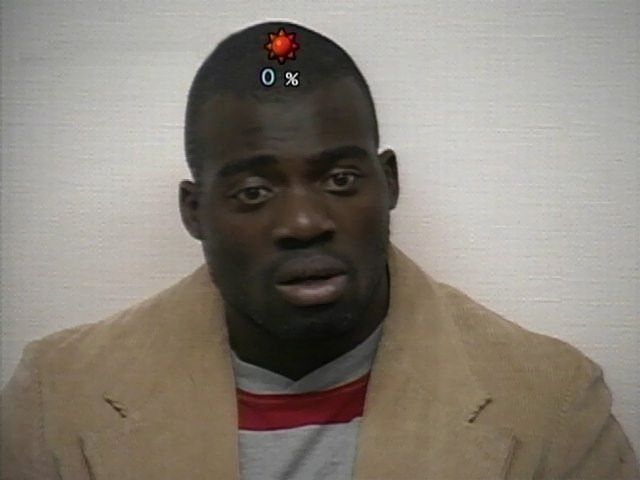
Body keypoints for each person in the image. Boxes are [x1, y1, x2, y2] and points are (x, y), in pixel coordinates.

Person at [1, 20, 638, 480]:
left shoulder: (553, 402)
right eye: (254, 191)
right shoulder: (56, 398)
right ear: (195, 213)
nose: (304, 222)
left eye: (340, 179)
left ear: (389, 183)